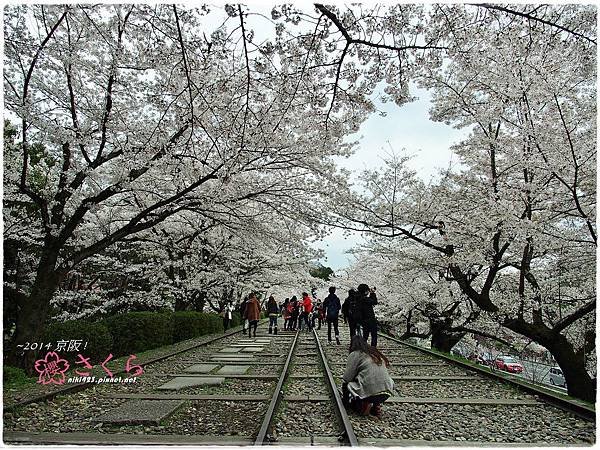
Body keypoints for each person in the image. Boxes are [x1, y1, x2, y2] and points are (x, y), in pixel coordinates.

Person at [342, 335, 394, 418]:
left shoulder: (355, 354)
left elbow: (347, 378)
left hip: (370, 393)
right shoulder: (374, 353)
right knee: (375, 382)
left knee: (347, 385)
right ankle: (375, 405)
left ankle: (349, 405)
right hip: (386, 392)